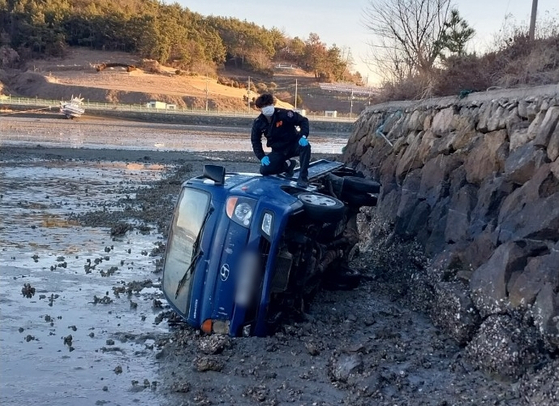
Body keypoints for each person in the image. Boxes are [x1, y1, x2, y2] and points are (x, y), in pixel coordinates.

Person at [251, 93, 311, 188]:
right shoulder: (258, 122)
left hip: (293, 145)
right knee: (264, 170)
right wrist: (261, 156)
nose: (268, 107)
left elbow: (303, 121)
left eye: (269, 104)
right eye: (265, 106)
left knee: (305, 146)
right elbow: (255, 141)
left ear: (272, 104)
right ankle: (288, 165)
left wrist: (303, 136)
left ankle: (303, 177)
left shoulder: (284, 114)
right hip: (278, 150)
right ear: (260, 108)